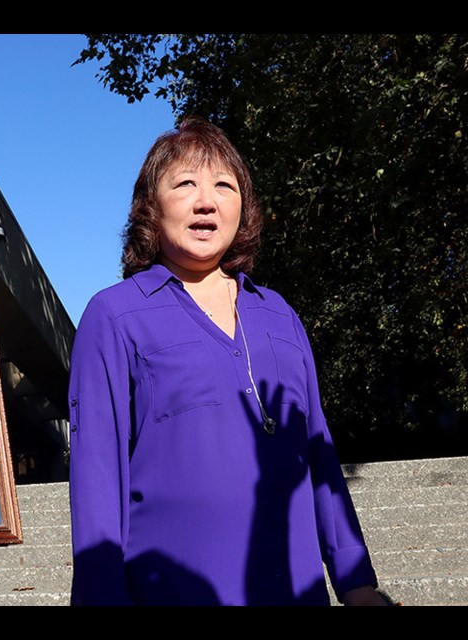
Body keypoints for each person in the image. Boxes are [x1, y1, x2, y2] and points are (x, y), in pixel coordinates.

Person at [69, 118, 384, 606]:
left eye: (224, 185)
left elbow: (318, 450)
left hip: (295, 591)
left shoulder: (280, 314)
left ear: (244, 207)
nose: (206, 201)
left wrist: (355, 580)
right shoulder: (114, 316)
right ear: (150, 208)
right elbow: (97, 480)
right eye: (185, 184)